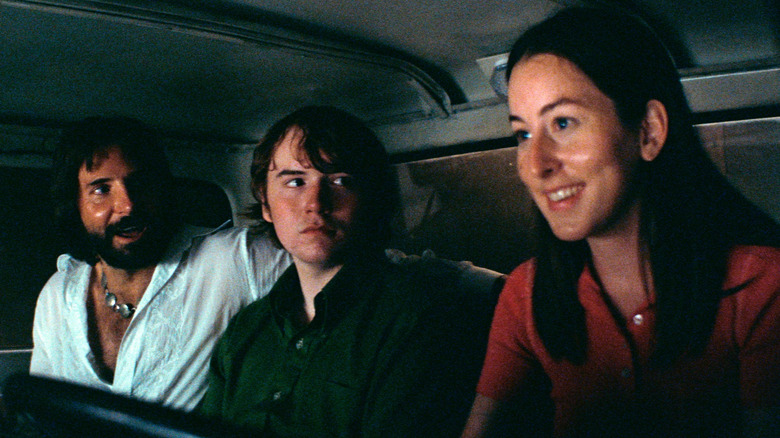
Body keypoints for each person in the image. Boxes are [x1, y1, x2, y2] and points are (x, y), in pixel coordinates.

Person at [461, 7, 780, 437]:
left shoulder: (761, 286)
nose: (536, 165)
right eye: (523, 134)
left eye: (563, 122)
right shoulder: (526, 295)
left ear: (648, 131)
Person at [198, 106, 498, 437]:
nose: (315, 202)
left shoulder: (418, 317)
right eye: (295, 182)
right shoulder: (246, 329)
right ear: (266, 205)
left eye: (341, 181)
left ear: (372, 199)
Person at [30, 116, 292, 411]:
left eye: (140, 182)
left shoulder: (235, 259)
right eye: (101, 189)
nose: (127, 205)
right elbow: (40, 413)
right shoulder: (58, 295)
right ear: (74, 205)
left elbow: (330, 274)